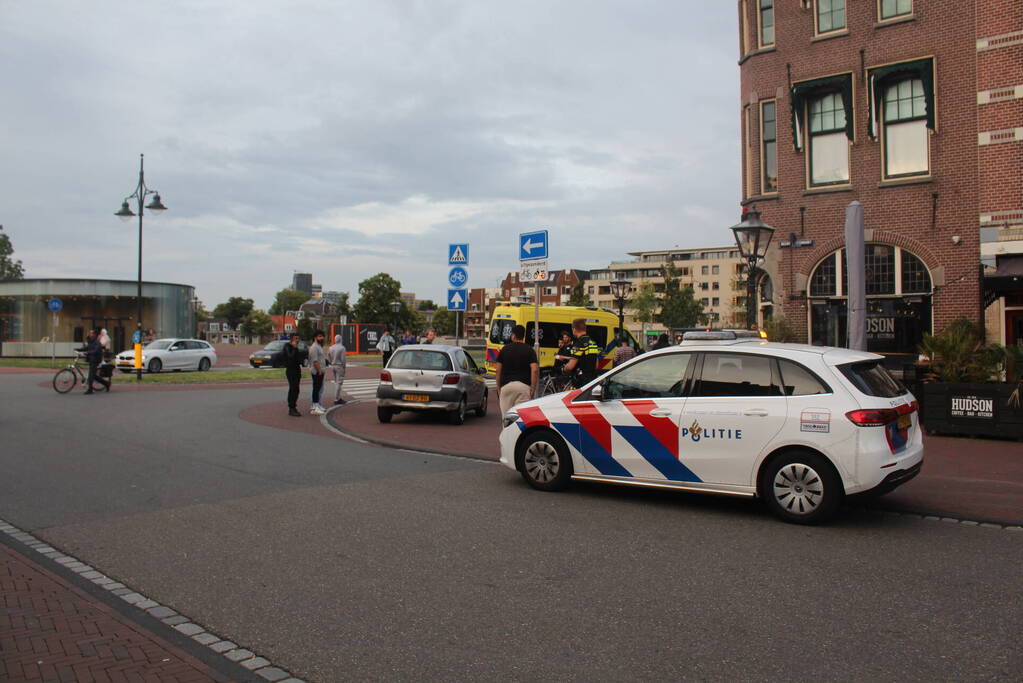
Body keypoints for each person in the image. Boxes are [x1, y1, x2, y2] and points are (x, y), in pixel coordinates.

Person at [495, 324, 538, 415]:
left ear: (513, 335)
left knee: (506, 418)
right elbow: (534, 370)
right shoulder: (530, 350)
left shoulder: (504, 349)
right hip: (523, 387)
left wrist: (499, 388)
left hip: (506, 387)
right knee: (522, 419)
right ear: (523, 336)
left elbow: (498, 370)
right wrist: (532, 390)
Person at [562, 318, 601, 389]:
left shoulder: (578, 343)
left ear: (574, 329)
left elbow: (570, 366)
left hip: (581, 382)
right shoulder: (593, 343)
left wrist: (564, 368)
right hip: (592, 381)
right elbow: (596, 365)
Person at [274, 333, 307, 417]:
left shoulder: (296, 348)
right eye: (296, 338)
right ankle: (291, 408)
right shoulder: (287, 346)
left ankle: (293, 406)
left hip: (297, 370)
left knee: (296, 389)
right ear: (292, 339)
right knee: (293, 389)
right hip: (290, 370)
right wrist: (294, 348)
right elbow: (290, 356)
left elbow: (298, 358)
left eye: (298, 338)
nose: (297, 340)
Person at [77, 328, 110, 394]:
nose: (90, 334)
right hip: (91, 359)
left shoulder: (97, 342)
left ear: (95, 334)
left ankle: (90, 390)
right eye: (89, 333)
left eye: (91, 333)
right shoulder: (91, 341)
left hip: (96, 359)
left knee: (91, 375)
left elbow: (95, 351)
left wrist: (88, 353)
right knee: (93, 375)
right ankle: (106, 383)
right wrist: (79, 349)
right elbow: (87, 347)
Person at [307, 330, 328, 415]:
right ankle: (315, 406)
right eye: (319, 336)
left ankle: (317, 404)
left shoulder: (319, 346)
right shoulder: (314, 347)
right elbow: (315, 361)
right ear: (315, 337)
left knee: (320, 388)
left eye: (322, 336)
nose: (321, 338)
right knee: (316, 388)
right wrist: (319, 371)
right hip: (317, 371)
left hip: (321, 370)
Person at [328, 333, 348, 405]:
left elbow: (329, 356)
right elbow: (343, 359)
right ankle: (336, 399)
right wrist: (344, 367)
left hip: (333, 366)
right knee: (339, 383)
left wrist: (331, 362)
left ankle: (338, 397)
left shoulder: (331, 347)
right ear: (340, 340)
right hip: (339, 366)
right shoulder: (342, 348)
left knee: (336, 382)